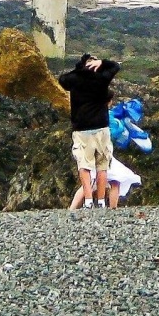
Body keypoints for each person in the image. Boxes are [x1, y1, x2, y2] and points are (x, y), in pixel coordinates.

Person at [58, 53, 120, 209]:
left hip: (82, 128)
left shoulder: (75, 79)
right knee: (102, 165)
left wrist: (80, 68)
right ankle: (100, 200)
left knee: (84, 166)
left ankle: (87, 200)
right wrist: (102, 62)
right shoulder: (101, 78)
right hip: (101, 126)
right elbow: (115, 66)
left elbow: (62, 79)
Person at [68, 157, 142, 210]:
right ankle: (113, 208)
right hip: (102, 152)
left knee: (88, 182)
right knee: (115, 181)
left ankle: (72, 208)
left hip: (90, 152)